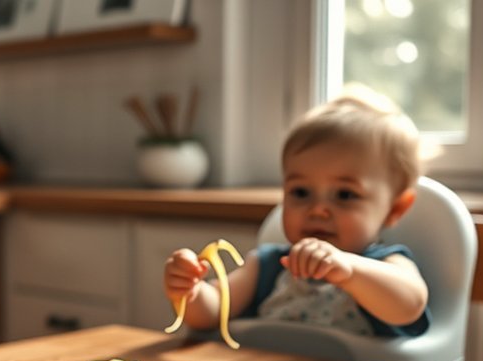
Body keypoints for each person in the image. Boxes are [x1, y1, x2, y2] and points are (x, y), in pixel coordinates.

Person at [163, 87, 430, 339]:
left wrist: (348, 269)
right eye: (301, 192)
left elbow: (410, 304)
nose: (317, 210)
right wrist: (190, 291)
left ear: (395, 209)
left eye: (345, 195)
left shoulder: (387, 265)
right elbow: (213, 311)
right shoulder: (267, 266)